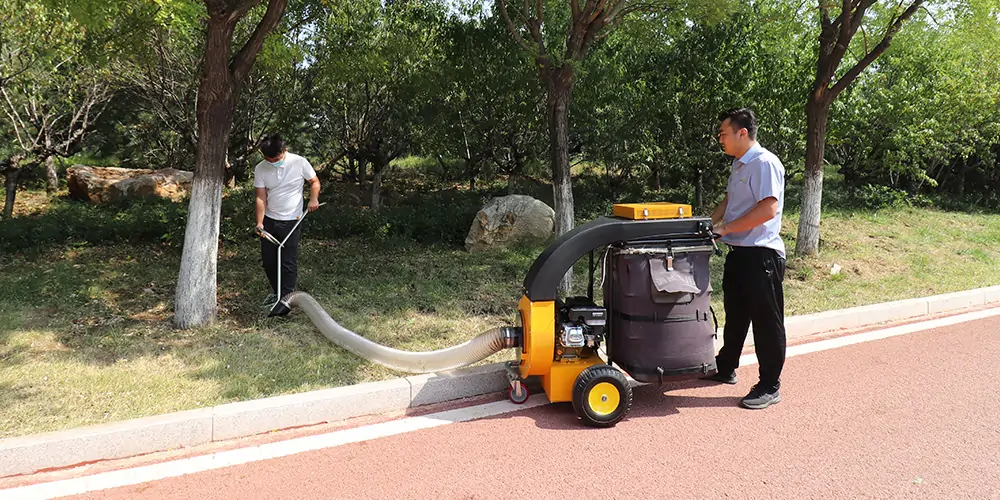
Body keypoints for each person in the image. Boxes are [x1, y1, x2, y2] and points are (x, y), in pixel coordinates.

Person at [701, 108, 786, 410]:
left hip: (761, 255)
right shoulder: (739, 164)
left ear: (742, 133)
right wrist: (708, 225)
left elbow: (768, 209)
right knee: (735, 315)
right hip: (739, 252)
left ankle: (769, 385)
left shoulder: (764, 163)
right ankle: (726, 367)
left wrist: (726, 228)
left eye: (723, 133)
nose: (720, 139)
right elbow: (729, 200)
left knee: (766, 323)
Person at [253, 134, 321, 316]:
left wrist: (313, 199)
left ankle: (286, 300)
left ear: (285, 151)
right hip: (269, 219)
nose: (272, 162)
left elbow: (314, 182)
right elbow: (261, 196)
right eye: (268, 159)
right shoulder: (260, 168)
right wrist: (260, 222)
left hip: (292, 219)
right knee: (269, 261)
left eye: (275, 159)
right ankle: (277, 293)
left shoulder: (299, 162)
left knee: (287, 261)